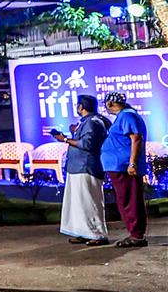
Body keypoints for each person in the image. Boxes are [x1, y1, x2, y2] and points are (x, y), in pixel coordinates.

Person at [54, 94, 109, 246]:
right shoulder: (88, 121)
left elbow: (87, 144)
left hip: (86, 167)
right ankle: (83, 232)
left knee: (90, 201)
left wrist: (64, 139)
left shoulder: (92, 122)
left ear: (81, 107)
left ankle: (98, 234)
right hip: (77, 167)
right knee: (79, 203)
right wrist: (72, 134)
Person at [101, 92, 148, 248]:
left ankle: (137, 236)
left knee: (130, 201)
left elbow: (136, 138)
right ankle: (135, 234)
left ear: (109, 104)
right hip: (119, 167)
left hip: (124, 167)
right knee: (126, 200)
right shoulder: (124, 116)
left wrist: (132, 163)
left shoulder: (128, 116)